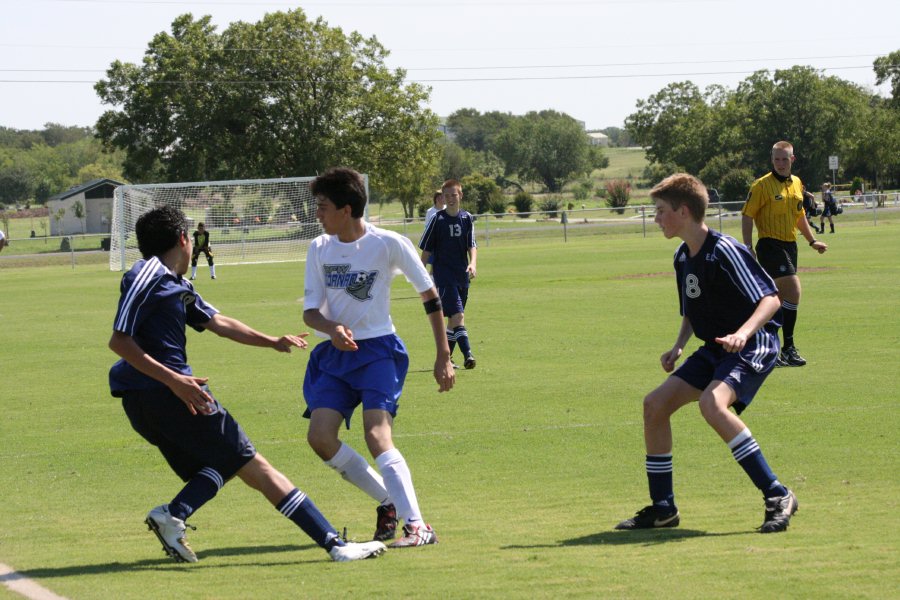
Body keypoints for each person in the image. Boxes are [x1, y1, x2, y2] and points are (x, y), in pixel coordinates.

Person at [108, 205, 385, 564]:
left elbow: (218, 321)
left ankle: (174, 514)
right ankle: (335, 545)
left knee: (225, 465)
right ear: (182, 239)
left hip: (149, 399)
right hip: (169, 393)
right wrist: (175, 381)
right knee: (256, 466)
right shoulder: (146, 274)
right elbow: (119, 341)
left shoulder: (178, 285)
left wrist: (271, 340)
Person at [615, 173, 798, 534]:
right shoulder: (682, 255)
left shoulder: (725, 250)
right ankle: (663, 507)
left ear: (683, 211)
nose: (656, 218)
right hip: (715, 347)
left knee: (712, 404)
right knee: (654, 405)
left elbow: (772, 299)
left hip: (755, 342)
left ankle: (778, 494)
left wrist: (743, 334)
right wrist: (679, 345)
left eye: (661, 211)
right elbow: (691, 309)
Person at [301, 167, 455, 548]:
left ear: (347, 209)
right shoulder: (319, 248)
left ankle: (418, 526)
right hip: (334, 355)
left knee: (376, 435)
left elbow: (430, 296)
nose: (317, 215)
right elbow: (310, 312)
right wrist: (332, 328)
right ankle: (388, 501)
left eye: (323, 208)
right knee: (320, 438)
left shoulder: (388, 243)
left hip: (378, 351)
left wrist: (443, 355)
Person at [741, 141, 827, 368]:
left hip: (790, 246)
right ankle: (788, 348)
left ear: (792, 159)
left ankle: (769, 350)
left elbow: (799, 216)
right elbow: (747, 215)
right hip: (769, 244)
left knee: (776, 301)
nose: (780, 163)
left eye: (784, 159)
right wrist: (748, 247)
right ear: (772, 159)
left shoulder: (797, 183)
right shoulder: (761, 185)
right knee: (794, 289)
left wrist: (812, 240)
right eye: (776, 159)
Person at [419, 179, 478, 370]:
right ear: (442, 197)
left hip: (462, 275)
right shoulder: (437, 220)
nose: (451, 199)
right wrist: (420, 273)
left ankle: (447, 357)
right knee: (458, 316)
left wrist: (473, 263)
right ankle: (468, 355)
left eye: (454, 195)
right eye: (447, 195)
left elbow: (472, 245)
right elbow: (426, 250)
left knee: (454, 319)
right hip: (444, 277)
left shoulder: (467, 218)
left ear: (460, 195)